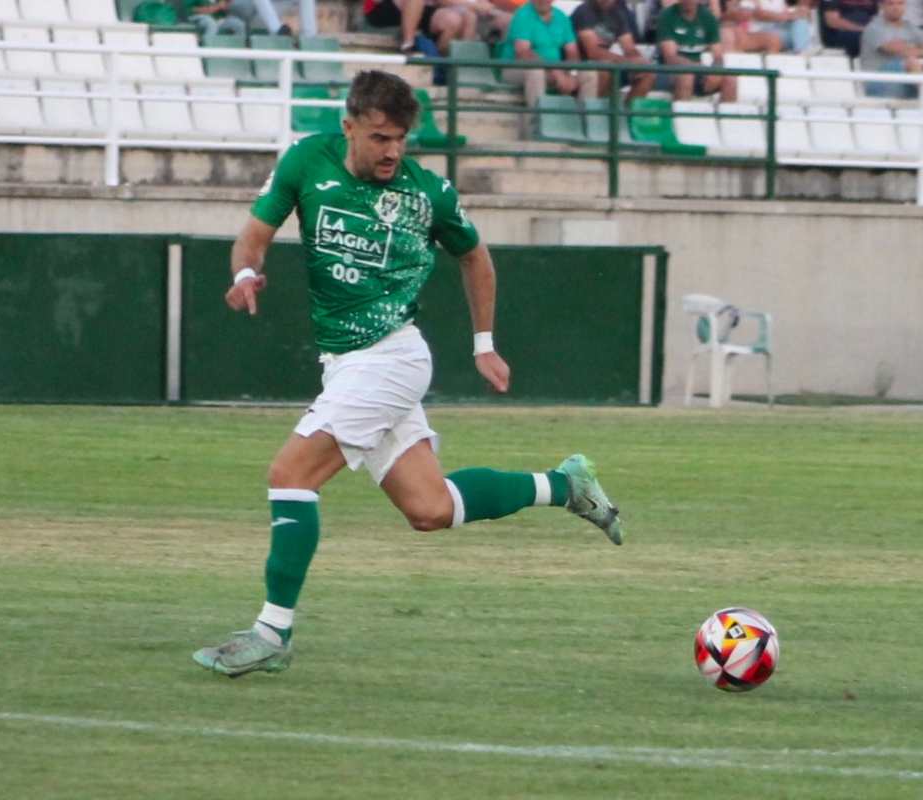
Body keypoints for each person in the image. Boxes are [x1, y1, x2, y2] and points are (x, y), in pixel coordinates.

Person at [191, 70, 624, 678]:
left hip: (390, 359)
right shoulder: (305, 162)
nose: (393, 150)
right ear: (349, 127)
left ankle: (272, 633)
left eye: (400, 138)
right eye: (379, 137)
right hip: (348, 363)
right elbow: (253, 236)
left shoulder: (428, 194)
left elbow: (474, 254)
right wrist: (244, 276)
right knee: (430, 508)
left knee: (291, 474)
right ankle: (564, 484)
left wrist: (484, 343)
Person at [859, 0, 923, 99]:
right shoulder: (874, 28)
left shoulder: (909, 26)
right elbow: (901, 51)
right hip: (878, 82)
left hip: (906, 79)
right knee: (911, 61)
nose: (896, 7)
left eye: (900, 3)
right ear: (881, 6)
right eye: (891, 4)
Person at [499, 0, 588, 99]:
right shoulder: (523, 14)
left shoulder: (561, 16)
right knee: (536, 72)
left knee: (589, 74)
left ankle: (586, 113)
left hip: (553, 71)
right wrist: (556, 72)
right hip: (517, 67)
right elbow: (523, 53)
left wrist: (572, 74)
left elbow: (572, 51)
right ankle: (538, 113)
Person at [656, 0, 739, 100]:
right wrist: (699, 69)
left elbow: (718, 55)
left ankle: (727, 114)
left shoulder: (708, 17)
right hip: (669, 72)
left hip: (698, 71)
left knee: (730, 79)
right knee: (686, 76)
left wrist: (715, 71)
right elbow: (670, 57)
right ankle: (682, 114)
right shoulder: (667, 16)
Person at [573, 0, 657, 98]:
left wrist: (639, 61)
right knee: (605, 68)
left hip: (609, 63)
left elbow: (629, 47)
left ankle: (627, 111)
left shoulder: (617, 13)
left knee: (648, 73)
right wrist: (627, 62)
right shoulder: (584, 11)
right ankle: (597, 110)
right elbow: (593, 52)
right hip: (583, 65)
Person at [364, 0, 471, 54]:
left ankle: (439, 64)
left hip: (422, 9)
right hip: (382, 8)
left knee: (453, 20)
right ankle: (408, 45)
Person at [181, 0, 248, 37]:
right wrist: (217, 7)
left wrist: (226, 4)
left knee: (238, 24)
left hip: (217, 20)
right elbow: (191, 10)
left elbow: (226, 8)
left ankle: (238, 54)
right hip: (197, 19)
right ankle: (207, 51)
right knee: (211, 23)